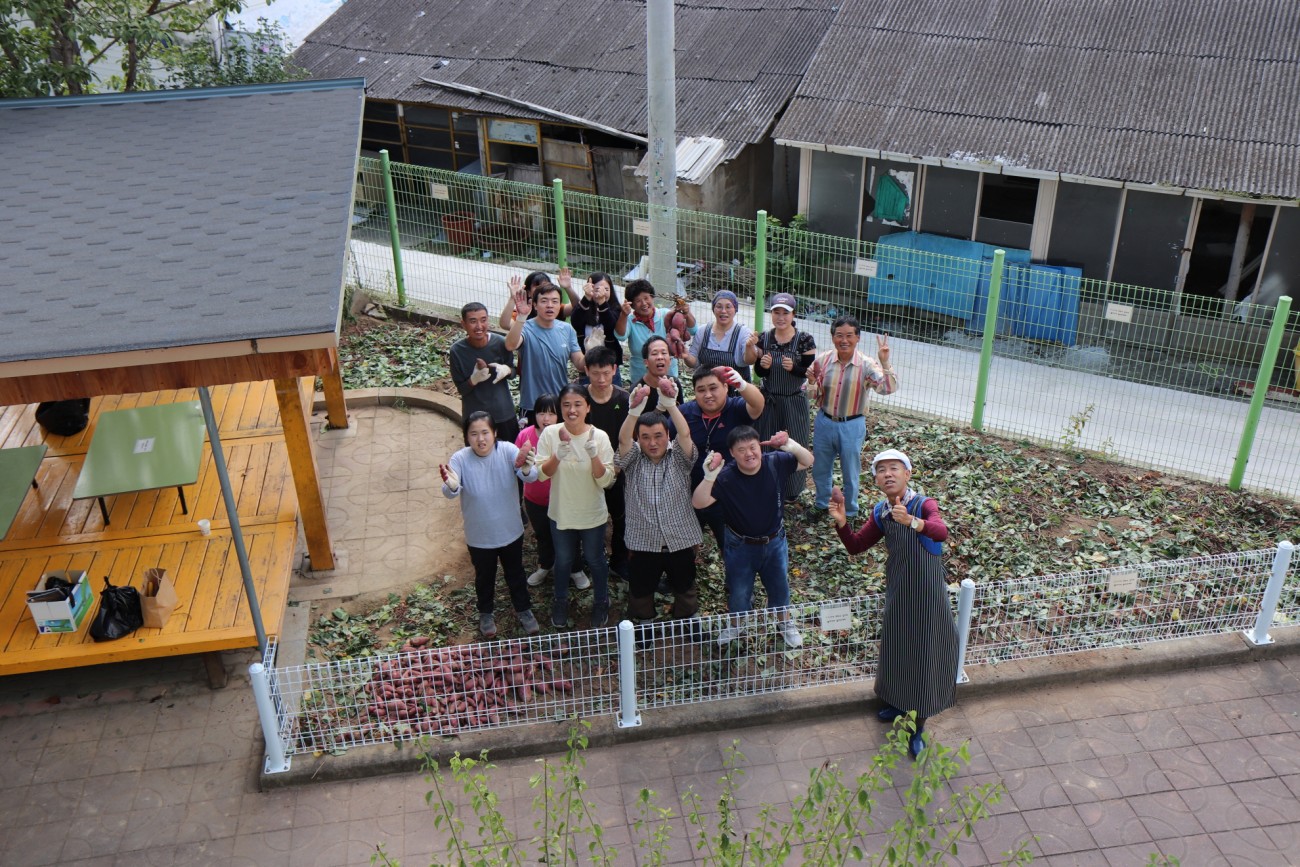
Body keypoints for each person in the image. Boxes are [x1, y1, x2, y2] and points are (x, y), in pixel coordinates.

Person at [828, 449, 956, 760]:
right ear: (876, 480)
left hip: (926, 595)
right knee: (898, 648)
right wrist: (842, 523)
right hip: (899, 590)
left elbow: (941, 531)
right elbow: (856, 546)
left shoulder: (923, 505)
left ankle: (918, 726)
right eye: (881, 470)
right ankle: (898, 704)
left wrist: (913, 522)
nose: (888, 474)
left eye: (894, 468)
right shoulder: (881, 512)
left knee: (924, 653)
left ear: (907, 474)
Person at [691, 425, 813, 647]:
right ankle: (736, 625)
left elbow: (807, 461)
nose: (749, 454)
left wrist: (790, 445)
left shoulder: (775, 462)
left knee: (780, 586)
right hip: (740, 545)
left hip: (775, 541)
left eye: (752, 447)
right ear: (732, 453)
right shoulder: (727, 476)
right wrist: (709, 476)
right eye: (741, 450)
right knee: (739, 590)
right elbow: (699, 502)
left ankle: (784, 623)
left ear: (760, 446)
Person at [439, 411, 541, 638]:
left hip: (510, 532)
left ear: (495, 433)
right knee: (484, 577)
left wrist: (526, 468)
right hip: (479, 536)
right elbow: (449, 491)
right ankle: (486, 613)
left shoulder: (507, 450)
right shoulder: (460, 459)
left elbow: (530, 475)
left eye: (485, 432)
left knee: (515, 573)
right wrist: (453, 485)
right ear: (467, 437)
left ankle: (524, 610)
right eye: (474, 434)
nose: (480, 439)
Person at [615, 382, 700, 621]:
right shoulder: (632, 460)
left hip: (680, 538)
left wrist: (671, 405)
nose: (652, 443)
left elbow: (685, 434)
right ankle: (644, 623)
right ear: (639, 440)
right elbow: (623, 440)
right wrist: (633, 412)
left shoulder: (679, 458)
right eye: (645, 437)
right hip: (643, 541)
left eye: (658, 436)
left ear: (667, 436)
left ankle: (687, 619)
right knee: (641, 588)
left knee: (685, 585)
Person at [536, 384, 616, 629]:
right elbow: (541, 475)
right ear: (560, 408)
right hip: (561, 512)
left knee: (595, 559)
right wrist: (557, 455)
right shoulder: (551, 434)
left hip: (592, 513)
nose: (572, 410)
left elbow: (606, 481)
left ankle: (601, 600)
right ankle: (560, 600)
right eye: (566, 405)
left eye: (578, 404)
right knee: (563, 560)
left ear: (588, 407)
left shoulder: (599, 437)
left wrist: (593, 456)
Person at [808, 316, 897, 518]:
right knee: (821, 468)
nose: (844, 340)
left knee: (850, 471)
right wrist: (812, 382)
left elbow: (887, 388)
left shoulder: (866, 365)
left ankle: (850, 512)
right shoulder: (822, 361)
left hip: (852, 424)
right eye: (839, 335)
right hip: (824, 421)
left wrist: (885, 362)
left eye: (849, 335)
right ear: (833, 338)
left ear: (858, 338)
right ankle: (822, 504)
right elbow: (812, 395)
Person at [679, 364, 765, 550]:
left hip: (729, 493)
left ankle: (734, 573)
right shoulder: (686, 413)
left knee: (730, 545)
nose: (708, 395)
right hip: (693, 490)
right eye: (701, 390)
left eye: (713, 388)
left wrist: (741, 384)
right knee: (686, 542)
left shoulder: (736, 408)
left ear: (726, 387)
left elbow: (758, 404)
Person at [518, 395, 589, 592]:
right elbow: (517, 465)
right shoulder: (525, 436)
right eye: (541, 413)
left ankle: (576, 569)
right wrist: (524, 469)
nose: (546, 418)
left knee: (570, 533)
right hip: (536, 499)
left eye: (551, 413)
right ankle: (545, 565)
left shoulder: (567, 434)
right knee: (543, 535)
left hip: (564, 498)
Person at [752, 292, 817, 504]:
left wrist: (794, 369)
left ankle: (791, 491)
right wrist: (764, 367)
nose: (781, 317)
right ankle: (767, 485)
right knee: (768, 441)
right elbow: (760, 374)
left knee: (794, 443)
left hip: (793, 401)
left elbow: (807, 371)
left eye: (785, 313)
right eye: (776, 312)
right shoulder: (765, 338)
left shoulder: (805, 340)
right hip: (769, 399)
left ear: (793, 314)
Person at [506, 282, 586, 425]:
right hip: (532, 405)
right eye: (544, 301)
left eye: (555, 301)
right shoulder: (525, 327)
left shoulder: (567, 330)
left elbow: (580, 364)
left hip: (560, 404)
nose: (550, 305)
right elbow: (511, 345)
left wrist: (591, 350)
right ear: (535, 305)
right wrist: (521, 317)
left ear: (559, 305)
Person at [582, 346, 630, 579]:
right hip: (585, 471)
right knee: (589, 517)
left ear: (614, 370)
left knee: (620, 516)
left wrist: (616, 466)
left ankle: (618, 561)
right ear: (586, 371)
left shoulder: (624, 399)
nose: (601, 379)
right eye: (595, 373)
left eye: (606, 373)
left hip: (616, 471)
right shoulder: (578, 399)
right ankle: (592, 558)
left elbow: (629, 437)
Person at [449, 302, 518, 444]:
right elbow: (461, 389)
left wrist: (506, 370)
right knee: (478, 460)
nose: (479, 326)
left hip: (503, 413)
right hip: (475, 417)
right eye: (473, 321)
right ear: (464, 324)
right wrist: (473, 380)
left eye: (483, 320)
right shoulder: (457, 351)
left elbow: (513, 372)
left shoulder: (500, 343)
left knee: (510, 457)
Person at [618, 279, 696, 386]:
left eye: (646, 298)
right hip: (640, 379)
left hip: (669, 378)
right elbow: (621, 336)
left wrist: (686, 313)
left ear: (652, 297)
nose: (644, 303)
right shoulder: (630, 321)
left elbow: (693, 330)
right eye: (638, 301)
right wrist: (623, 315)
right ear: (632, 305)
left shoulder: (666, 315)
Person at [682, 290, 753, 384]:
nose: (723, 311)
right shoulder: (703, 331)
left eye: (728, 307)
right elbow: (694, 363)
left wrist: (749, 346)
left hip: (736, 393)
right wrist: (686, 356)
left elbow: (749, 361)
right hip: (709, 391)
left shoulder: (743, 333)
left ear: (735, 309)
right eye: (719, 306)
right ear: (713, 309)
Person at [570, 273, 627, 385]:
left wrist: (602, 303)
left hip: (609, 365)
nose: (602, 292)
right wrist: (586, 298)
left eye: (606, 289)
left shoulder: (616, 309)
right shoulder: (583, 307)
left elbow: (610, 325)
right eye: (597, 289)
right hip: (588, 364)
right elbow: (575, 321)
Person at [498, 269, 573, 330]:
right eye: (537, 286)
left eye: (545, 285)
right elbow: (505, 324)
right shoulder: (522, 311)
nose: (541, 289)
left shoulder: (555, 307)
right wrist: (512, 298)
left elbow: (577, 307)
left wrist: (568, 288)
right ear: (528, 292)